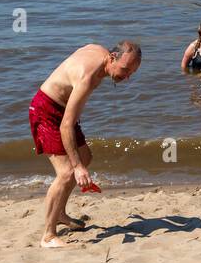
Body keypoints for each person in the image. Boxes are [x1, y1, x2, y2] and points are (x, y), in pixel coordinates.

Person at [28, 41, 142, 247]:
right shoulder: (88, 77)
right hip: (47, 111)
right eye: (125, 70)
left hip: (63, 111)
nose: (126, 77)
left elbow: (82, 50)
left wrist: (81, 163)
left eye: (131, 73)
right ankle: (48, 235)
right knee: (67, 172)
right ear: (113, 57)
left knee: (86, 157)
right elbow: (65, 127)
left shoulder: (99, 51)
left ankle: (60, 213)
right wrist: (78, 167)